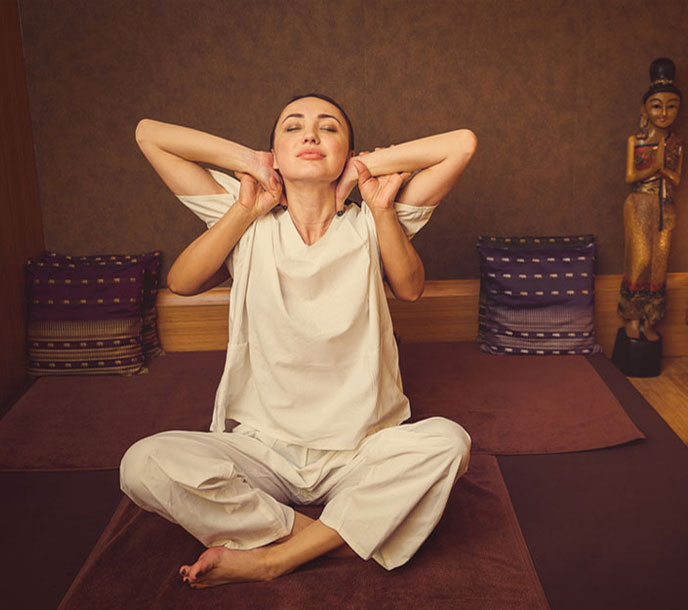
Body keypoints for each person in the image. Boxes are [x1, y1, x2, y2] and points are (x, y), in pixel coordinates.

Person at [120, 93, 477, 588]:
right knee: (143, 464)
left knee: (448, 444)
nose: (310, 135)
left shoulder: (374, 218)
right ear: (274, 152)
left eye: (328, 128)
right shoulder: (245, 215)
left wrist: (364, 173)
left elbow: (460, 145)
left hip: (362, 448)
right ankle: (332, 535)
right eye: (293, 127)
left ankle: (273, 559)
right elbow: (149, 136)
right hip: (262, 449)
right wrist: (249, 170)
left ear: (348, 152)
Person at [619, 58, 683, 341]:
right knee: (641, 258)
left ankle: (651, 319)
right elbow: (631, 176)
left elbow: (677, 178)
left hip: (666, 204)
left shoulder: (676, 143)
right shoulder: (638, 140)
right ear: (645, 108)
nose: (664, 112)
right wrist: (656, 165)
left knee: (660, 262)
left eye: (671, 106)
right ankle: (632, 316)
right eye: (657, 105)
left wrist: (662, 167)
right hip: (641, 203)